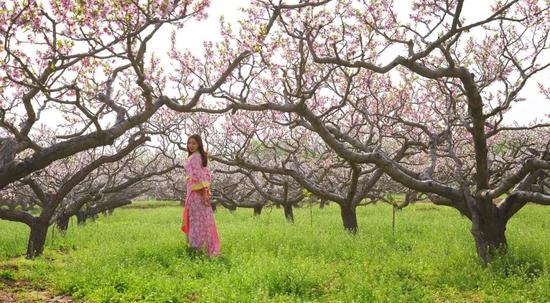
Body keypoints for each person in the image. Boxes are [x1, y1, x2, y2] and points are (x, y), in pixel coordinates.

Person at [181, 134, 220, 256]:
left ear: (199, 144)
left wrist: (203, 193)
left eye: (194, 143)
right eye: (189, 143)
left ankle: (197, 247)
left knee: (197, 220)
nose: (191, 146)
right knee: (200, 220)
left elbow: (199, 176)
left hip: (196, 194)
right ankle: (201, 247)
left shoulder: (195, 158)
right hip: (194, 193)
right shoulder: (196, 157)